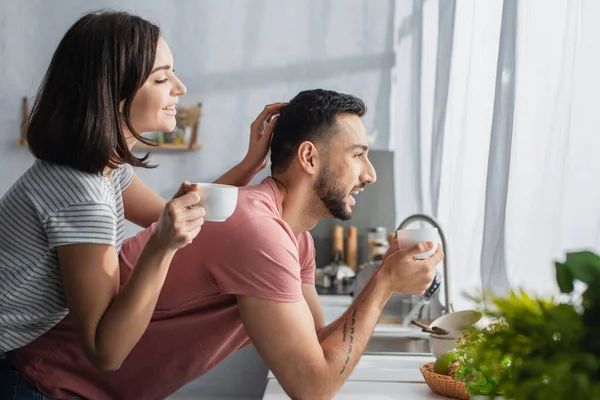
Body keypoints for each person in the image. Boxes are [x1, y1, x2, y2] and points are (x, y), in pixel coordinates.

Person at [7, 89, 442, 400]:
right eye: (358, 154)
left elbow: (313, 344)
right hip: (41, 384)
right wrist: (383, 284)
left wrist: (383, 282)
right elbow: (312, 386)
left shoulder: (294, 240)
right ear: (309, 158)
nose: (370, 173)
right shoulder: (258, 232)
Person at [0, 8, 283, 378]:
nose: (180, 89)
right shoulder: (84, 197)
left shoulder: (101, 169)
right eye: (161, 79)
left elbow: (171, 216)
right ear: (114, 92)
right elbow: (106, 351)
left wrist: (249, 164)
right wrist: (160, 247)